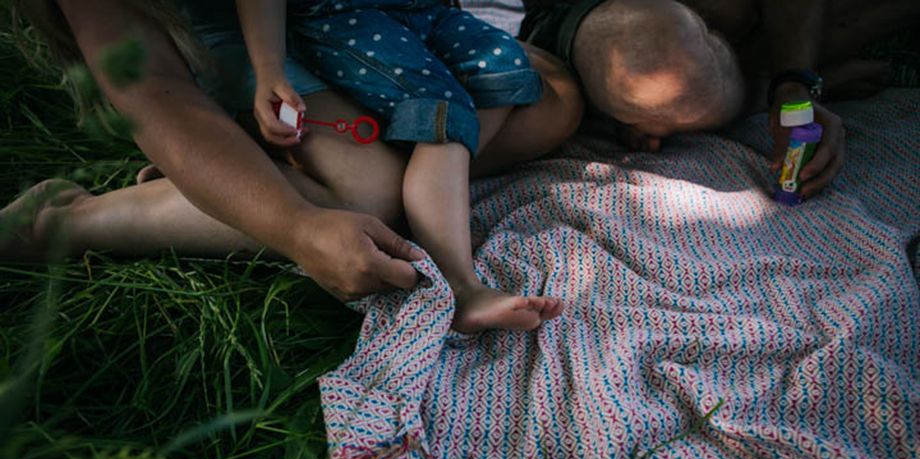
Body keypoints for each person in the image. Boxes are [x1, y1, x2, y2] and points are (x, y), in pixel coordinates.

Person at [1, 0, 582, 306]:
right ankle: (67, 220)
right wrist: (298, 227)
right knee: (367, 192)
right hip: (216, 54)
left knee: (547, 98)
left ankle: (234, 176)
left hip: (330, 24)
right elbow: (157, 96)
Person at [235, 0, 564, 332]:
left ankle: (435, 195)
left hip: (421, 10)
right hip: (342, 16)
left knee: (507, 68)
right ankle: (461, 289)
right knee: (441, 107)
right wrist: (269, 68)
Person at [520, 0, 920, 199]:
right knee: (660, 59)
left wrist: (795, 87)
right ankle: (750, 81)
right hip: (603, 15)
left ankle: (742, 80)